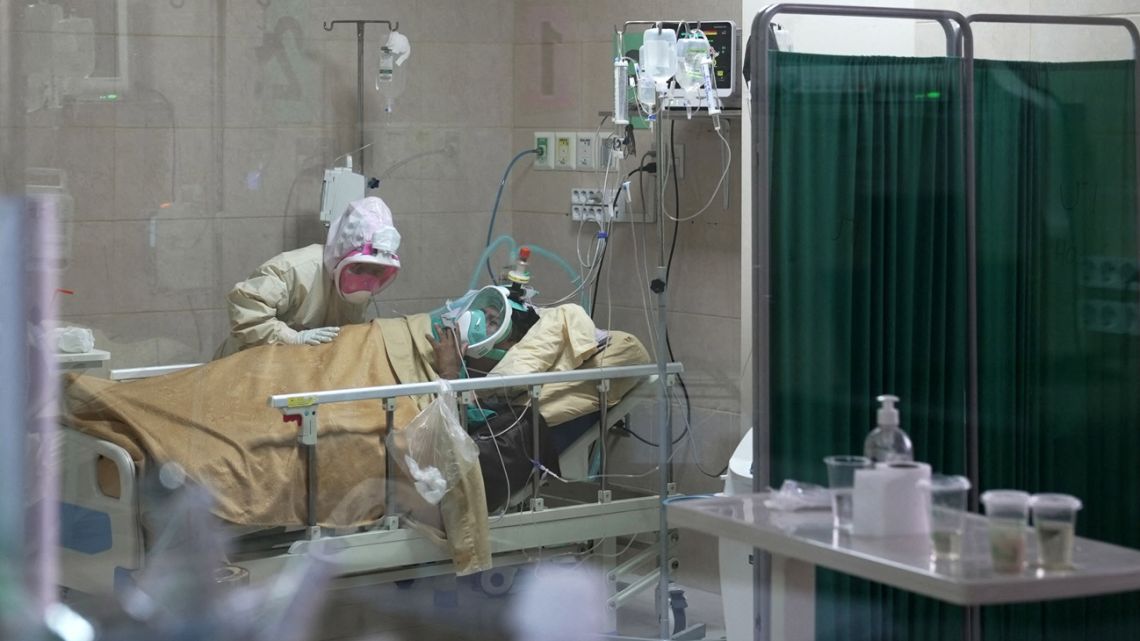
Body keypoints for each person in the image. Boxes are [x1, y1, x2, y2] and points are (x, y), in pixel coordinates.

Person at [213, 196, 401, 358]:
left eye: (377, 272)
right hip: (243, 363)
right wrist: (292, 338)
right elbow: (245, 306)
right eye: (362, 269)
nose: (367, 281)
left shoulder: (354, 289)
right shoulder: (295, 268)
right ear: (343, 256)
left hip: (293, 369)